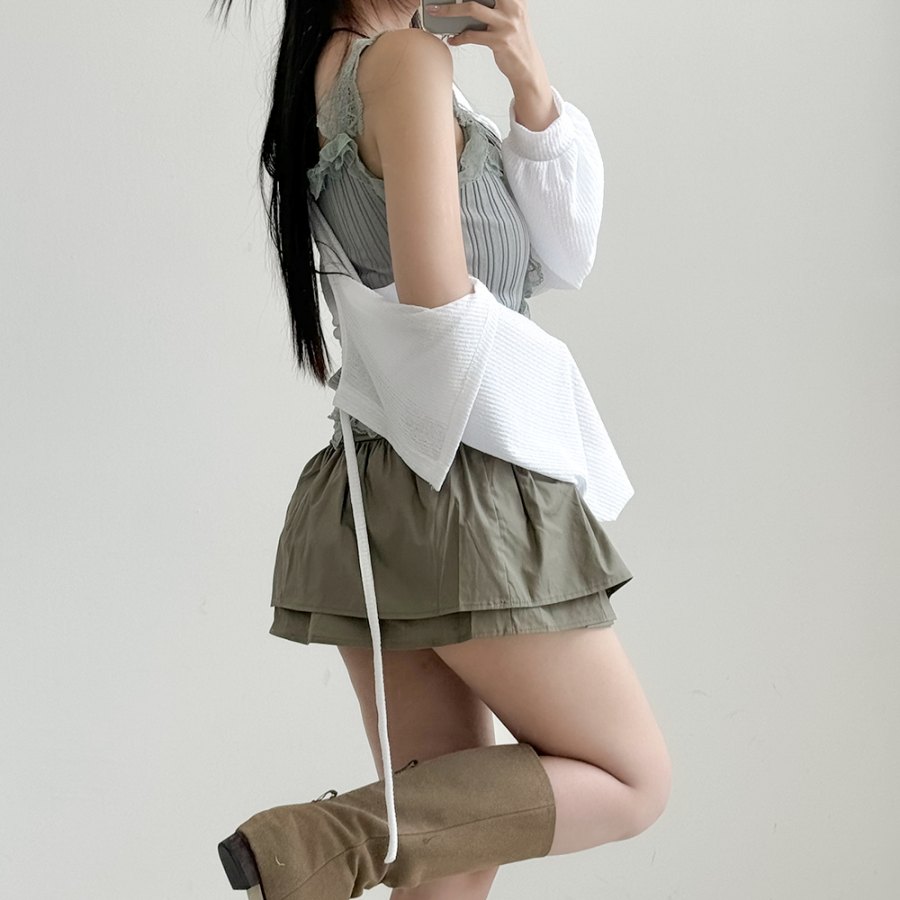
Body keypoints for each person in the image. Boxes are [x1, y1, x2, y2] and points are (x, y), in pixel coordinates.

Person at [210, 1, 672, 897]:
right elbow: (441, 316)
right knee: (633, 779)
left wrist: (529, 83)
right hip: (459, 489)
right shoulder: (406, 62)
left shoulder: (331, 76)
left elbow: (564, 256)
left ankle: (327, 844)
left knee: (453, 863)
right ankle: (326, 839)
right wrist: (560, 414)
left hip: (375, 491)